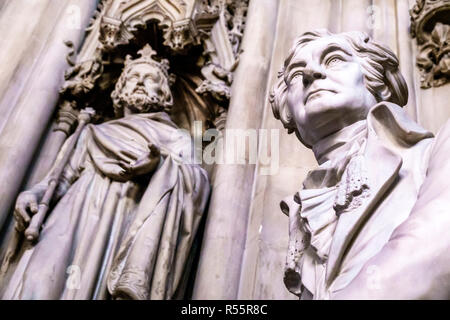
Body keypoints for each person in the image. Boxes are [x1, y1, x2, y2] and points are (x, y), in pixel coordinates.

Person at [0, 44, 210, 300]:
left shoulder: (175, 138)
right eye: (133, 77)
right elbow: (60, 179)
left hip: (126, 218)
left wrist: (160, 167)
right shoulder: (92, 132)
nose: (141, 82)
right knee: (40, 277)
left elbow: (196, 187)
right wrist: (33, 193)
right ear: (120, 88)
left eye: (151, 78)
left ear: (164, 93)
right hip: (73, 215)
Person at [270, 29, 450, 299]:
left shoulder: (433, 152)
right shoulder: (303, 209)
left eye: (333, 60)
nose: (309, 75)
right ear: (289, 114)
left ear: (379, 83)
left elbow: (435, 248)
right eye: (296, 75)